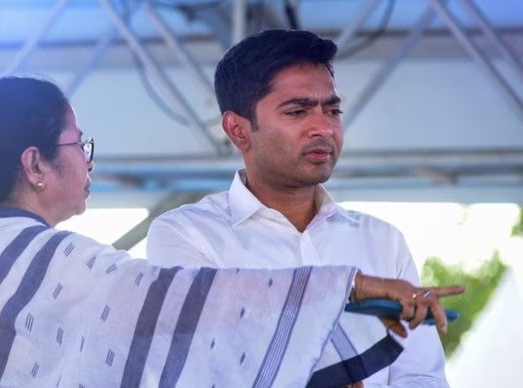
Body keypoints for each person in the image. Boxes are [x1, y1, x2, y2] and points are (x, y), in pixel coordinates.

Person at [0, 76, 463, 388]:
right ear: (35, 164)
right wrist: (352, 288)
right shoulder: (59, 261)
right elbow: (195, 308)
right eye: (78, 144)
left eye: (330, 110)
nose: (89, 161)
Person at [146, 29, 455, 387]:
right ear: (238, 130)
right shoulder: (186, 236)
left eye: (333, 109)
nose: (323, 128)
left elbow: (421, 375)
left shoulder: (381, 240)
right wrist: (351, 287)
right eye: (297, 111)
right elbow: (200, 365)